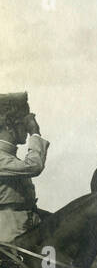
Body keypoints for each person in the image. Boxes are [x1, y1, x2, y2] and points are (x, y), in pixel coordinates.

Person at [0, 93, 48, 244]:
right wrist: (35, 132)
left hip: (26, 228)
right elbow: (34, 166)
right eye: (24, 123)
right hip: (9, 237)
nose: (27, 129)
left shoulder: (9, 156)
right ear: (8, 124)